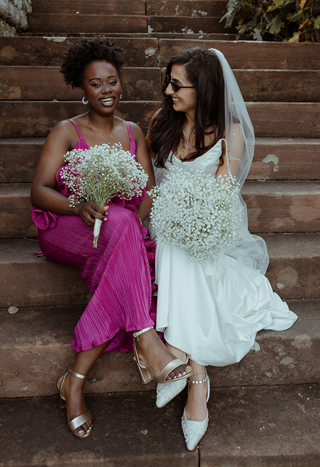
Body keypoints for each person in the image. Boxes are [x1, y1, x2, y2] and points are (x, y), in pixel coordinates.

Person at [29, 38, 192, 439]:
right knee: (122, 228)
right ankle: (146, 337)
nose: (106, 90)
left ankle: (75, 382)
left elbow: (148, 192)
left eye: (112, 81)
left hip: (119, 231)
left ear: (122, 84)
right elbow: (40, 191)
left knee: (123, 225)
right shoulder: (66, 132)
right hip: (67, 227)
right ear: (81, 88)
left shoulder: (133, 132)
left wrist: (132, 228)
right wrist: (79, 206)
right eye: (96, 83)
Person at [147, 47, 298, 450]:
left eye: (178, 85)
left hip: (211, 229)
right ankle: (196, 376)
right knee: (171, 242)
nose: (168, 91)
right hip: (167, 226)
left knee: (182, 246)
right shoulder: (162, 123)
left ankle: (179, 355)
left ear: (205, 87)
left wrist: (187, 219)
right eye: (169, 82)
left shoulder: (230, 132)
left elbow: (221, 197)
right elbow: (150, 188)